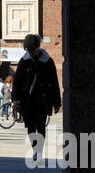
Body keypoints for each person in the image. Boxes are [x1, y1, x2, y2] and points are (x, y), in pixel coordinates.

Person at [11, 33, 62, 163]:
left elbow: (54, 82)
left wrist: (56, 102)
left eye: (32, 49)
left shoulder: (47, 61)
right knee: (30, 126)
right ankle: (35, 149)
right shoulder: (24, 61)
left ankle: (39, 152)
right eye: (28, 50)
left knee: (41, 125)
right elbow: (17, 81)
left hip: (42, 99)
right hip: (27, 99)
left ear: (38, 46)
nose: (31, 52)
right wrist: (15, 99)